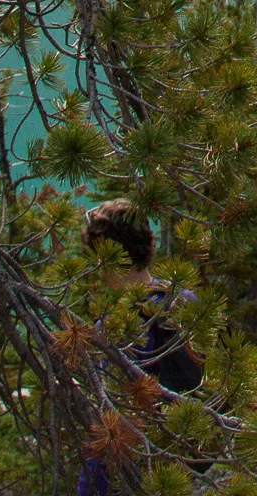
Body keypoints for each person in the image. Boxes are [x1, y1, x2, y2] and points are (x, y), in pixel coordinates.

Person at [78, 200, 205, 496]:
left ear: (107, 256)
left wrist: (88, 488)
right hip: (188, 462)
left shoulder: (115, 328)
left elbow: (114, 420)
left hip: (138, 471)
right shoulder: (185, 299)